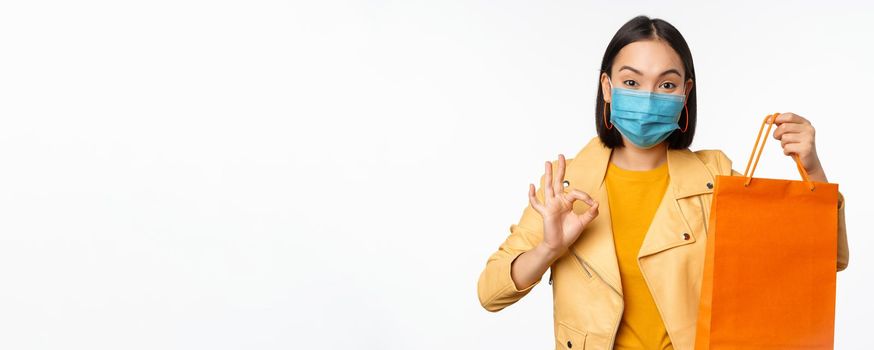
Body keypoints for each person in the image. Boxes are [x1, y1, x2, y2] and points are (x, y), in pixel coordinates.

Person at [476, 15, 849, 350]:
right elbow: (490, 293)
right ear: (607, 87)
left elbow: (819, 260)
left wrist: (812, 171)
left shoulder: (714, 180)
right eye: (631, 81)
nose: (648, 96)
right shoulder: (565, 186)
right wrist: (548, 249)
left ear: (686, 92)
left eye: (666, 85)